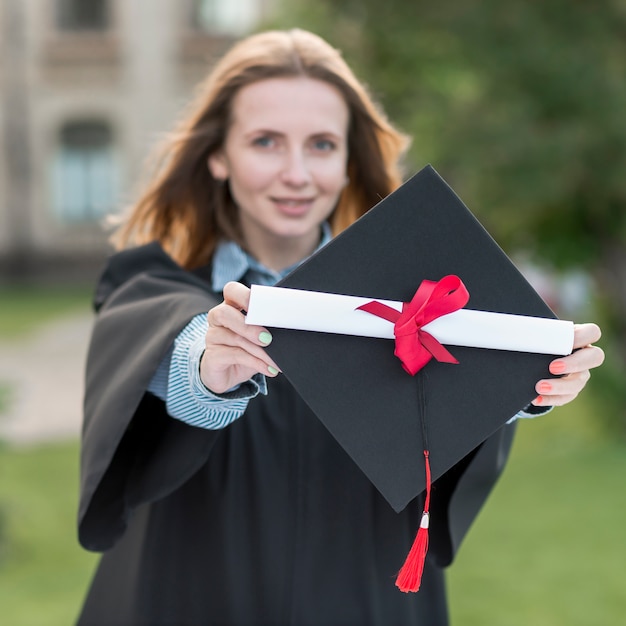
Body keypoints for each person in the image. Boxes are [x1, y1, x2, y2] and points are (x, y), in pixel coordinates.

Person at [76, 28, 604, 626]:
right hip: (187, 592)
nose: (296, 173)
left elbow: (448, 409)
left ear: (349, 159)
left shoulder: (405, 305)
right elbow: (160, 342)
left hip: (363, 592)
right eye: (266, 141)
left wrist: (524, 378)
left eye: (322, 145)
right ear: (218, 155)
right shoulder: (149, 285)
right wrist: (207, 367)